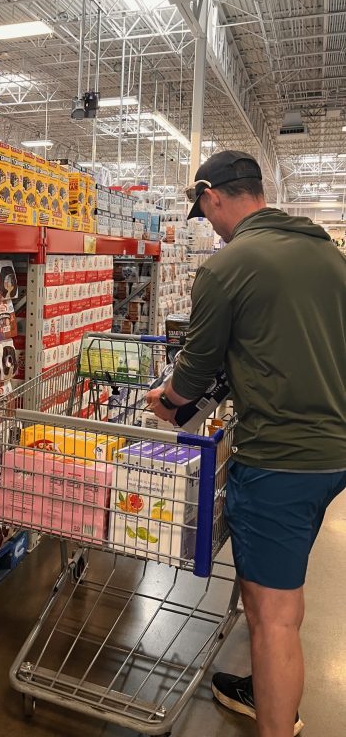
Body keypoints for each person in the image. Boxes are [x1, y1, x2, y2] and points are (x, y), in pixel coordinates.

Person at [145, 151, 346, 737]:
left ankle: (276, 717)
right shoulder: (328, 257)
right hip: (332, 452)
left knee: (275, 616)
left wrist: (167, 402)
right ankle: (263, 687)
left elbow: (193, 373)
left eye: (203, 212)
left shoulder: (229, 266)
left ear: (212, 195)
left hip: (282, 459)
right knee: (270, 594)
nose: (207, 225)